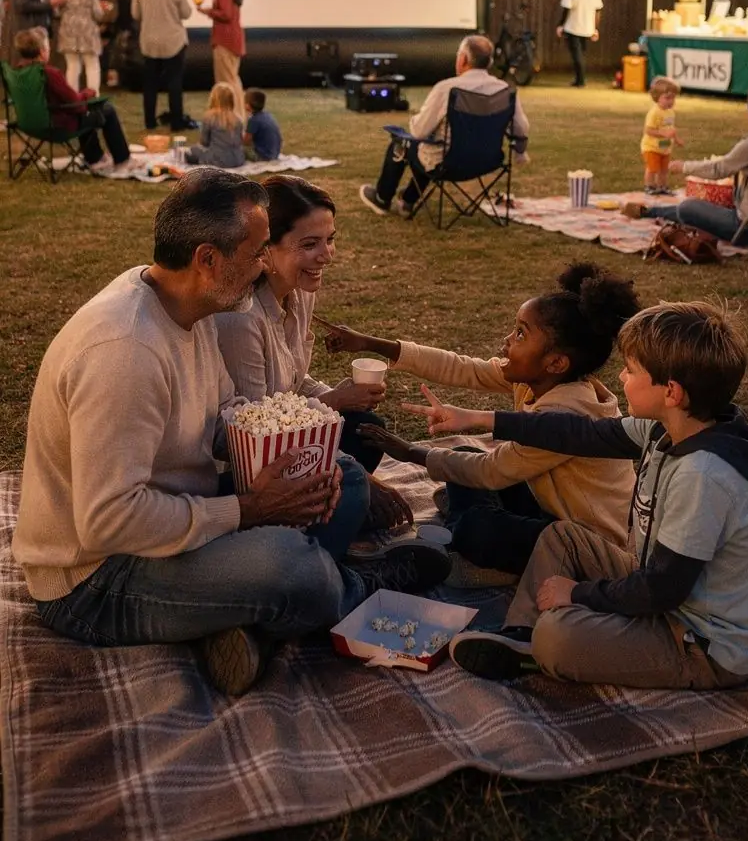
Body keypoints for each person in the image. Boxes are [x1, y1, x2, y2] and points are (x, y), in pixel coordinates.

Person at [12, 170, 450, 699]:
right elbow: (108, 522)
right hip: (96, 578)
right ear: (208, 259)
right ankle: (352, 586)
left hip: (175, 511)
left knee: (343, 474)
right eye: (257, 252)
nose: (265, 265)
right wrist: (249, 509)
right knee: (294, 568)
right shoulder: (125, 352)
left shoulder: (188, 306)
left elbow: (225, 419)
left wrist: (296, 462)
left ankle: (242, 621)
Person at [421, 301, 748, 691]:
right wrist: (480, 419)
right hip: (665, 591)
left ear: (671, 392)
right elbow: (578, 433)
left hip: (701, 643)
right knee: (562, 536)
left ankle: (538, 645)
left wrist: (577, 594)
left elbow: (661, 590)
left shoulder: (703, 477)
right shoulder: (667, 429)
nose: (621, 376)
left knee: (558, 636)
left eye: (631, 370)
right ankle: (520, 636)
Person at [321, 263, 639, 579]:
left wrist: (409, 452)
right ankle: (464, 516)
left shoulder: (564, 415)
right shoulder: (541, 379)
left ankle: (463, 524)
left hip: (583, 545)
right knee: (464, 457)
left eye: (520, 334)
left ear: (555, 362)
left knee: (477, 528)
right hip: (549, 507)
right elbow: (462, 367)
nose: (507, 339)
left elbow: (490, 471)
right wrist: (370, 343)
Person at [216, 176, 413, 532]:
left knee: (369, 430)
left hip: (292, 438)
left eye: (330, 239)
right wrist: (336, 410)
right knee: (354, 481)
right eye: (310, 244)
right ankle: (320, 531)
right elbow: (259, 427)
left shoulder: (300, 291)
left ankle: (339, 515)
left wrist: (337, 397)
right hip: (250, 467)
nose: (326, 255)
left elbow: (294, 381)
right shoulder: (241, 318)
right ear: (266, 249)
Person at [358, 34, 530, 217]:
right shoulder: (504, 90)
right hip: (488, 162)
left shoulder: (446, 89)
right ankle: (407, 200)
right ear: (489, 62)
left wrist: (416, 119)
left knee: (402, 144)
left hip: (447, 164)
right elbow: (521, 129)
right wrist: (519, 152)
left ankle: (382, 199)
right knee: (428, 146)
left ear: (463, 59)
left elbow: (419, 131)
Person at [626, 84, 748, 244]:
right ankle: (650, 211)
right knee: (700, 208)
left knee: (688, 207)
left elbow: (718, 169)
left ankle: (650, 211)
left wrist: (684, 166)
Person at [13, 27, 136, 176]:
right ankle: (122, 160)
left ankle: (96, 158)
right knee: (105, 108)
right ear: (42, 51)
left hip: (28, 124)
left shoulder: (17, 72)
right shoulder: (49, 73)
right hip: (56, 125)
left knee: (89, 109)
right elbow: (75, 103)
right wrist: (87, 93)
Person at [131, 0, 192, 132]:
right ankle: (176, 122)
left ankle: (150, 121)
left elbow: (135, 14)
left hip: (149, 42)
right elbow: (186, 13)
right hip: (173, 41)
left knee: (150, 84)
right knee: (174, 83)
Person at [53, 0, 112, 93]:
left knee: (72, 66)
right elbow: (97, 14)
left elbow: (56, 12)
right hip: (87, 31)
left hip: (68, 30)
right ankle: (93, 96)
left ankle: (72, 97)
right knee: (92, 65)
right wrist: (102, 9)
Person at [197, 0, 245, 112]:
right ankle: (238, 112)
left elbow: (226, 14)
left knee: (226, 81)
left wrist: (209, 12)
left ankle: (234, 114)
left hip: (225, 40)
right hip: (233, 39)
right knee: (232, 77)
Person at [555, 0, 603, 87]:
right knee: (581, 53)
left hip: (573, 26)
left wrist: (560, 25)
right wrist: (595, 28)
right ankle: (579, 78)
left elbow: (566, 8)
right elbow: (598, 10)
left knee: (577, 54)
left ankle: (580, 80)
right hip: (588, 27)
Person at [184, 83, 245, 168]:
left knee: (192, 151)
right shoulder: (238, 118)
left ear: (214, 98)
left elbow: (204, 142)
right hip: (238, 159)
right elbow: (240, 141)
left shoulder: (210, 117)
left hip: (218, 160)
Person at [640, 76, 683, 194]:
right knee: (652, 169)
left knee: (664, 170)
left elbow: (671, 130)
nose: (671, 101)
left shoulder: (670, 112)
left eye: (673, 98)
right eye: (667, 98)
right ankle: (649, 186)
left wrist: (677, 140)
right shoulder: (654, 112)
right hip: (651, 147)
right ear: (657, 97)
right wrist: (662, 133)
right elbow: (648, 130)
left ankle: (662, 186)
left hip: (665, 148)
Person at [243, 88, 283, 161]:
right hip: (274, 154)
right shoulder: (268, 115)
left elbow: (246, 142)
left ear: (248, 105)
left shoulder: (253, 120)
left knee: (238, 149)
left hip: (264, 157)